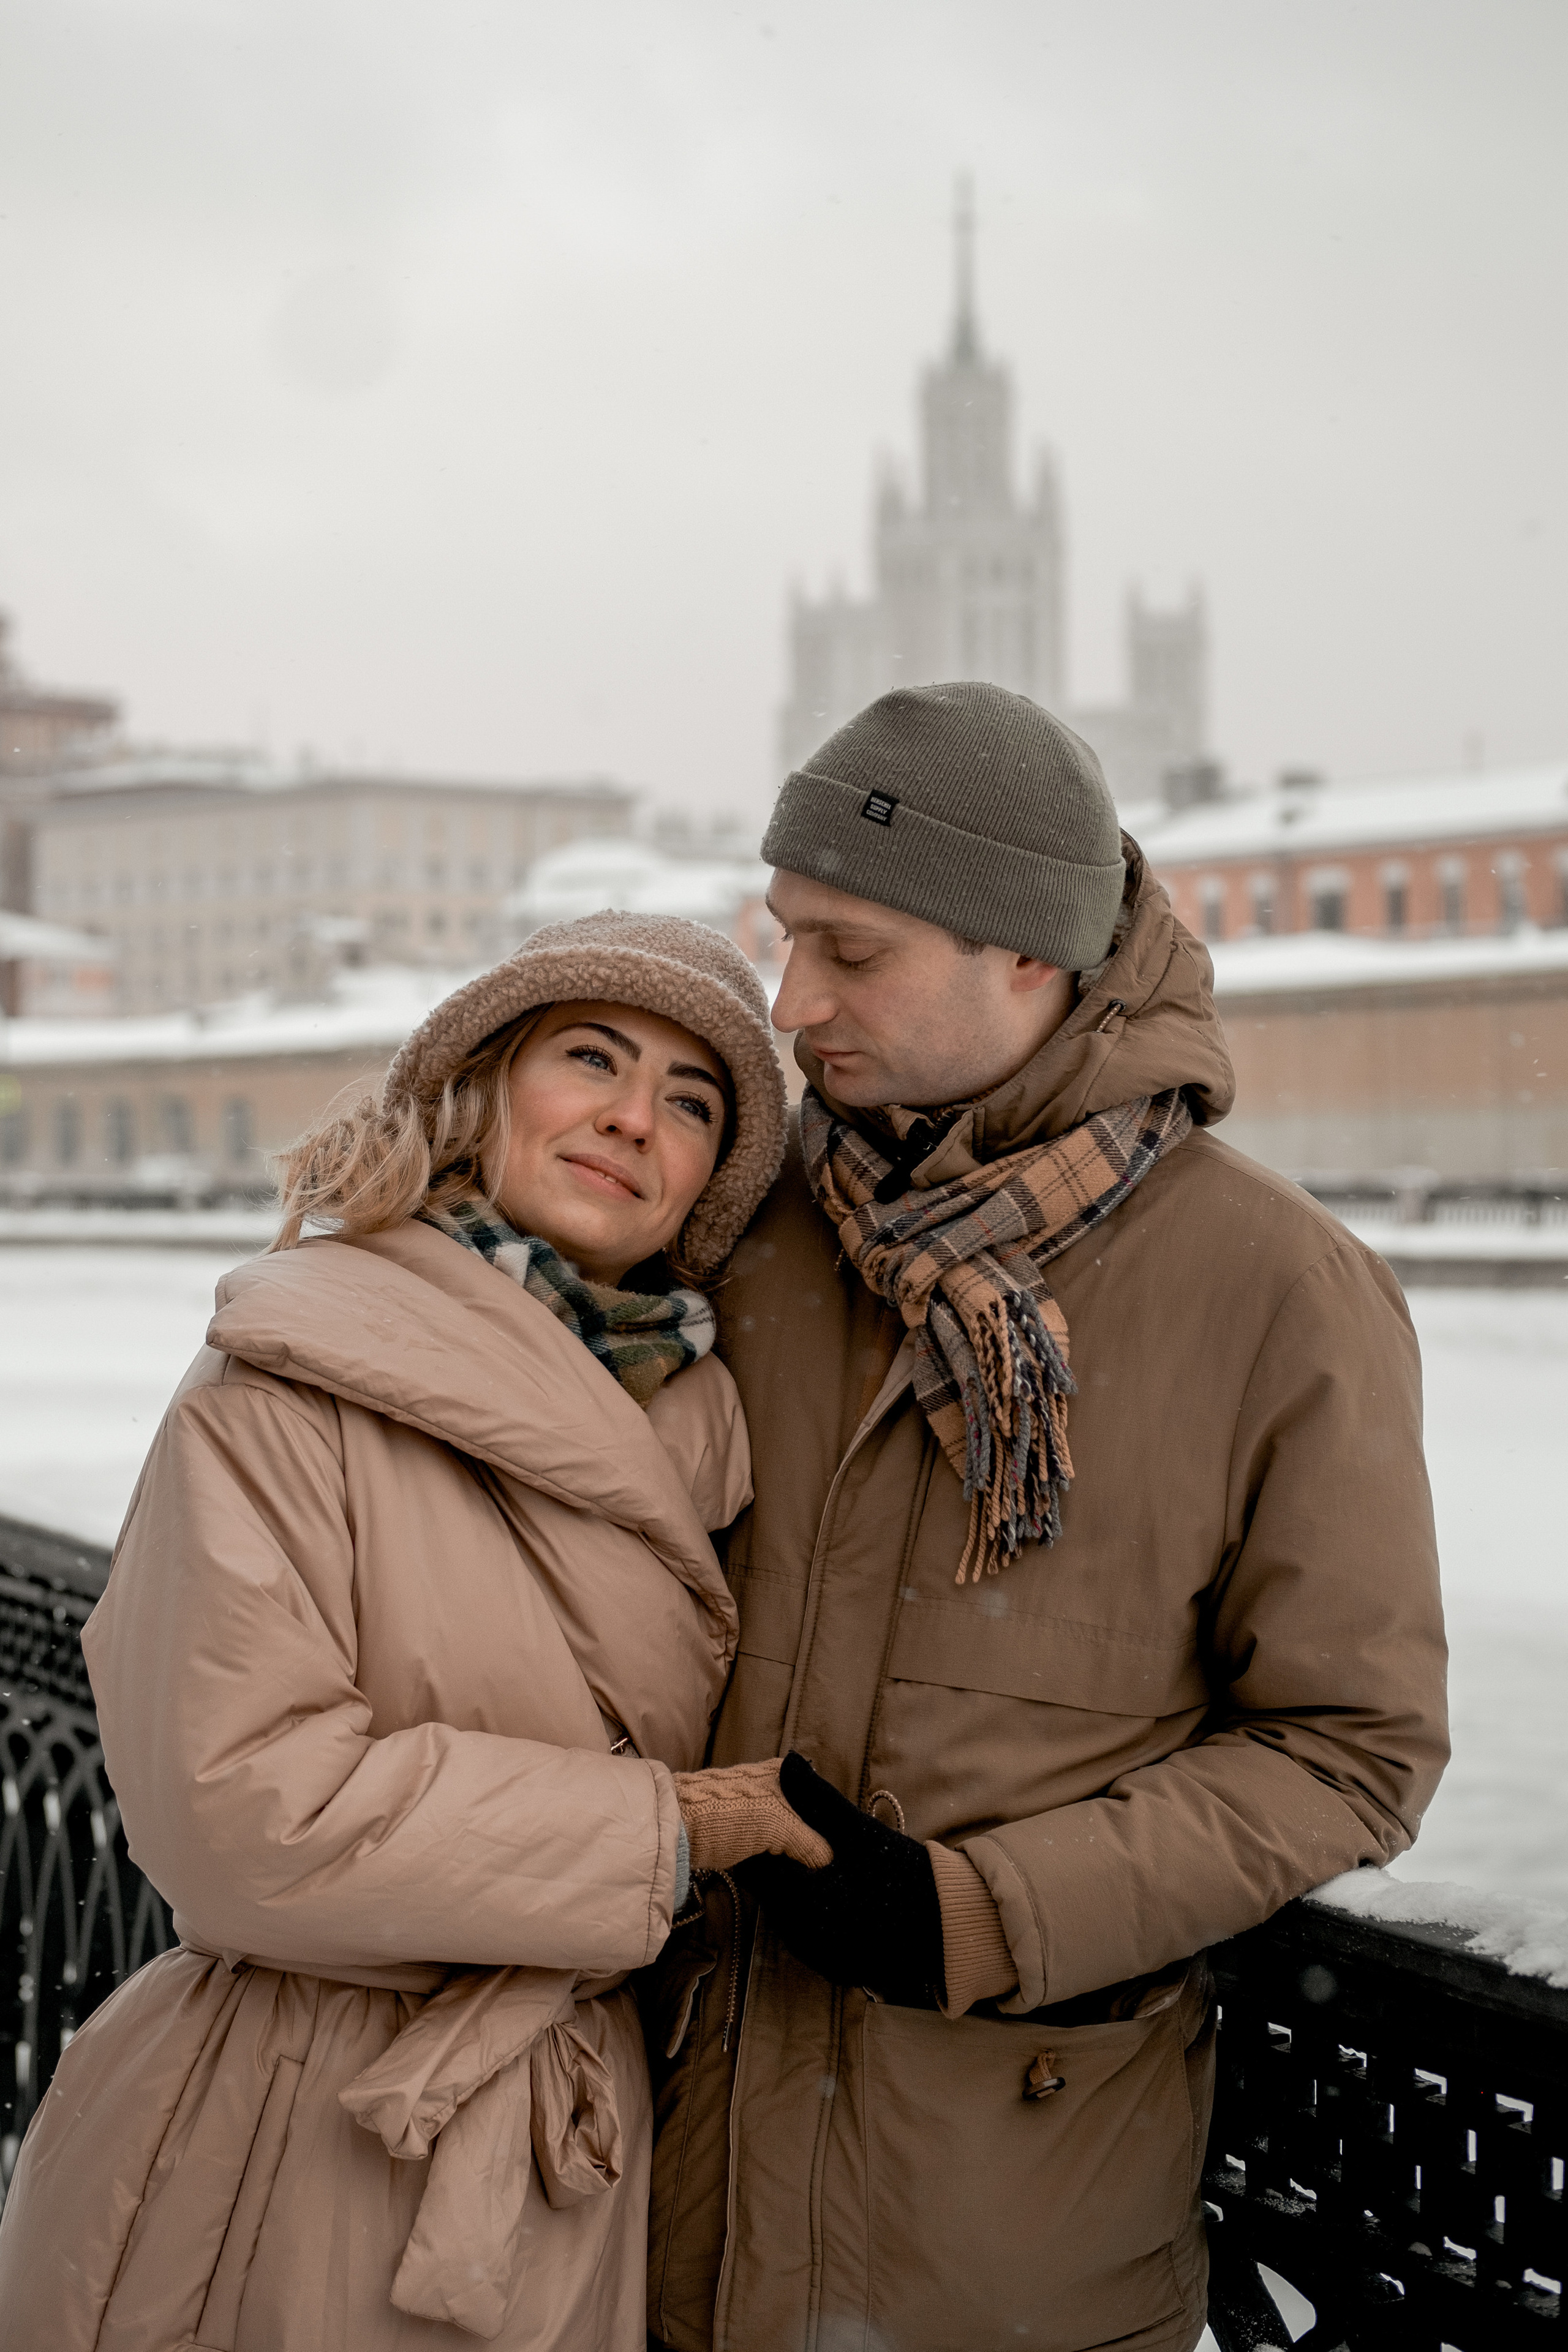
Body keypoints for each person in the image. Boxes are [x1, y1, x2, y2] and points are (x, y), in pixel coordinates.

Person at [646, 685, 1449, 2352]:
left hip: (1001, 2249)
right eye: (783, 939)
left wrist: (976, 1915)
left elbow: (1353, 1743)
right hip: (647, 2215)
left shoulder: (1279, 1294)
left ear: (1028, 951)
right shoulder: (739, 1223)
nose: (790, 1007)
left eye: (851, 954)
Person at [0, 910, 831, 2352]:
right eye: (592, 1058)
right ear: (482, 1087)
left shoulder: (710, 1433)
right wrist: (667, 1832)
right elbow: (240, 1817)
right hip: (293, 2139)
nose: (635, 1119)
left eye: (692, 1104)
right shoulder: (292, 1382)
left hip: (569, 2151)